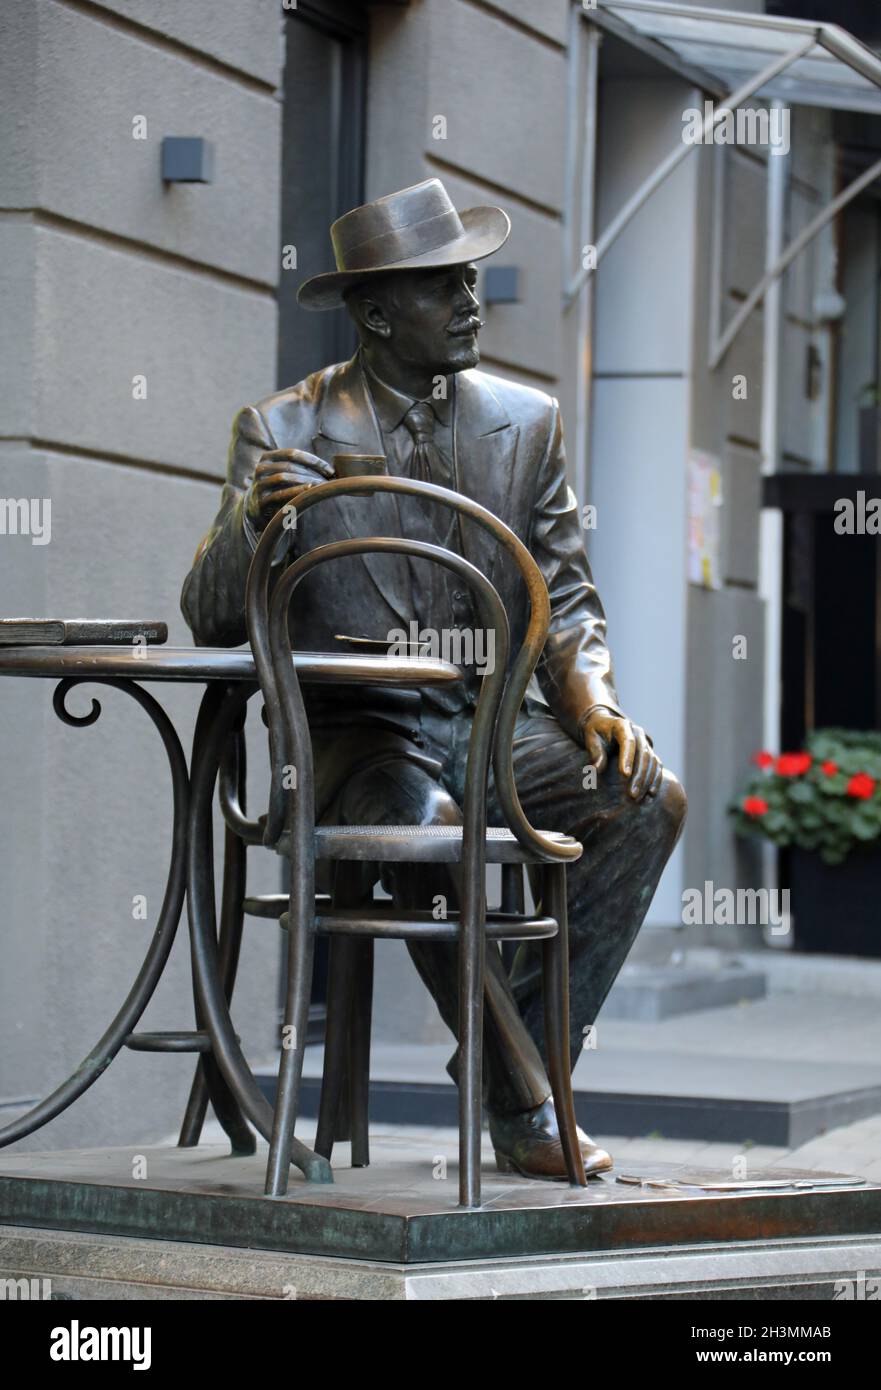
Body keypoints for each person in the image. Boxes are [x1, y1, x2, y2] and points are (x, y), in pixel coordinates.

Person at [181, 179, 686, 1180]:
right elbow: (209, 613)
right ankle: (524, 1105)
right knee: (427, 821)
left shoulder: (524, 421)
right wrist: (253, 523)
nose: (470, 302)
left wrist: (592, 700)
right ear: (373, 313)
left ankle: (511, 1073)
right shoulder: (282, 425)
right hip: (353, 738)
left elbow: (566, 600)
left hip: (487, 720)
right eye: (442, 286)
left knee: (643, 799)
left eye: (470, 279)